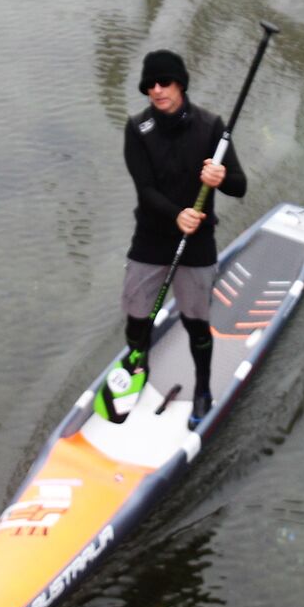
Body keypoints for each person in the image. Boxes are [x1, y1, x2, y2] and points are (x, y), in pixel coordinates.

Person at [114, 47, 247, 427]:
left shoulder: (211, 128)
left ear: (180, 85)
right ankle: (137, 373)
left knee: (195, 321)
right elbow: (145, 189)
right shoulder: (138, 129)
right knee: (138, 318)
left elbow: (240, 186)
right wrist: (177, 215)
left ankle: (203, 388)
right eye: (149, 85)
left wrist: (221, 179)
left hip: (197, 242)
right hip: (152, 237)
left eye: (164, 82)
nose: (157, 90)